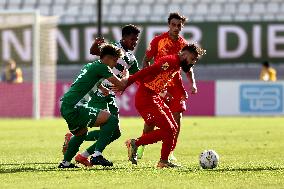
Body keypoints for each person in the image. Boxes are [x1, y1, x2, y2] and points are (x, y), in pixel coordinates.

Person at [62, 24, 141, 167]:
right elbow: (94, 52)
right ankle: (94, 154)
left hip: (108, 92)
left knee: (115, 133)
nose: (134, 42)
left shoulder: (131, 58)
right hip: (97, 95)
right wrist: (95, 45)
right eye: (132, 39)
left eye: (136, 40)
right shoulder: (112, 48)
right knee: (109, 123)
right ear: (123, 37)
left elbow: (138, 77)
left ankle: (80, 154)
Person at [120, 44, 206, 168]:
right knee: (169, 130)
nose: (192, 63)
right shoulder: (169, 61)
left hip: (154, 96)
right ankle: (135, 143)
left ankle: (163, 161)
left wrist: (181, 91)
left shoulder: (176, 65)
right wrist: (128, 82)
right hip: (146, 99)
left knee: (173, 128)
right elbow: (147, 71)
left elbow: (176, 78)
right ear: (185, 54)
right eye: (192, 59)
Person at [137, 12, 197, 161]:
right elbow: (146, 60)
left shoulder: (183, 45)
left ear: (182, 26)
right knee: (150, 122)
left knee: (177, 116)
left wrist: (192, 83)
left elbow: (188, 67)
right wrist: (148, 78)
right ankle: (140, 146)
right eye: (173, 25)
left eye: (179, 25)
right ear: (169, 25)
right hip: (158, 84)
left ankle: (169, 152)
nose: (176, 28)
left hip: (174, 84)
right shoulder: (158, 40)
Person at [58, 44, 128, 168]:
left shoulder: (91, 65)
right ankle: (96, 155)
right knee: (111, 120)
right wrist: (126, 75)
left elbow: (87, 79)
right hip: (75, 108)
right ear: (107, 58)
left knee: (81, 133)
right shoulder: (103, 67)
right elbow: (121, 85)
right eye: (115, 60)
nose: (115, 63)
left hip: (66, 105)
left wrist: (101, 87)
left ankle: (65, 163)